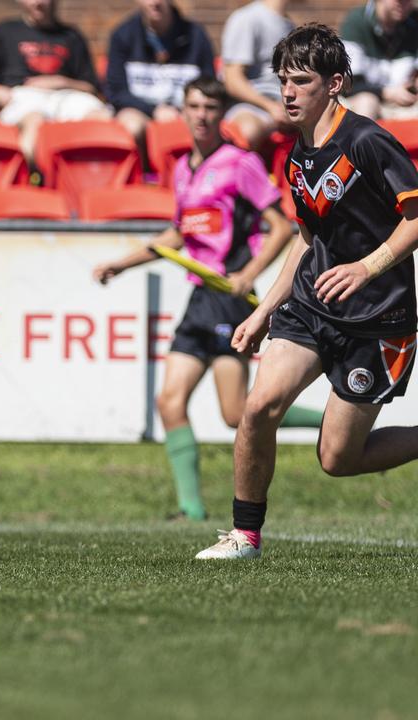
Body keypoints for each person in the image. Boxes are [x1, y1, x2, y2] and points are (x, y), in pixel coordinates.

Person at [196, 24, 418, 560]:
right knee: (258, 407)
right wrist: (265, 310)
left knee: (338, 458)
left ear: (335, 82)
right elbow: (307, 240)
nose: (287, 92)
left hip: (379, 320)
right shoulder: (297, 152)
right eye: (282, 81)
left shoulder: (366, 140)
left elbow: (415, 218)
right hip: (313, 308)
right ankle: (245, 537)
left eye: (300, 81)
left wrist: (368, 267)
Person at [93, 76, 318, 521]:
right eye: (194, 106)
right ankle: (190, 510)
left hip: (230, 299)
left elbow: (281, 227)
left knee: (237, 415)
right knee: (170, 402)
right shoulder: (182, 169)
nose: (201, 115)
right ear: (183, 110)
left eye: (210, 108)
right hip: (200, 299)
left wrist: (246, 277)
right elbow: (180, 232)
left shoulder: (240, 163)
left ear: (221, 114)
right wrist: (123, 263)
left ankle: (332, 423)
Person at [0, 0, 111, 165]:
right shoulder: (5, 30)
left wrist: (60, 82)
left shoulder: (72, 36)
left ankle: (96, 178)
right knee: (36, 122)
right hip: (23, 96)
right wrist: (4, 95)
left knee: (102, 119)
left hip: (67, 96)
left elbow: (91, 87)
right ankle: (29, 177)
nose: (38, 3)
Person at [105, 0, 215, 149]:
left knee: (202, 121)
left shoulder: (195, 35)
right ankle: (143, 172)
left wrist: (188, 111)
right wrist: (154, 110)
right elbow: (116, 92)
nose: (155, 2)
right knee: (132, 126)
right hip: (138, 110)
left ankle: (196, 170)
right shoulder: (122, 35)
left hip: (184, 111)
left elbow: (209, 83)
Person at [220, 0, 296, 152]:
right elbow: (232, 81)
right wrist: (271, 107)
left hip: (286, 104)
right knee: (248, 131)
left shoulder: (290, 26)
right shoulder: (247, 18)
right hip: (252, 106)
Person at [339, 0, 418, 120]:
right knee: (367, 102)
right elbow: (349, 85)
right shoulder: (356, 22)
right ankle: (362, 139)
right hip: (363, 99)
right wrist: (388, 93)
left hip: (405, 103)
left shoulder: (414, 23)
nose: (403, 3)